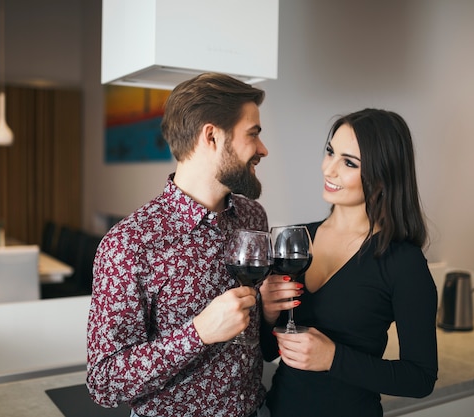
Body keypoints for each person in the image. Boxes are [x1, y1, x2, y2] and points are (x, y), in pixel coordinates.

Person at [87, 72, 271, 417]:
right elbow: (104, 381)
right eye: (253, 134)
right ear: (212, 136)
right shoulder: (129, 243)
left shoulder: (253, 218)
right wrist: (198, 333)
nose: (263, 149)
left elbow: (253, 332)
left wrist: (269, 312)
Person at [259, 108, 438, 416]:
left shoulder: (403, 262)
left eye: (349, 162)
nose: (329, 169)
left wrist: (333, 358)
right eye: (330, 152)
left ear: (383, 176)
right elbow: (268, 350)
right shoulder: (296, 242)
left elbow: (420, 379)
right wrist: (267, 313)